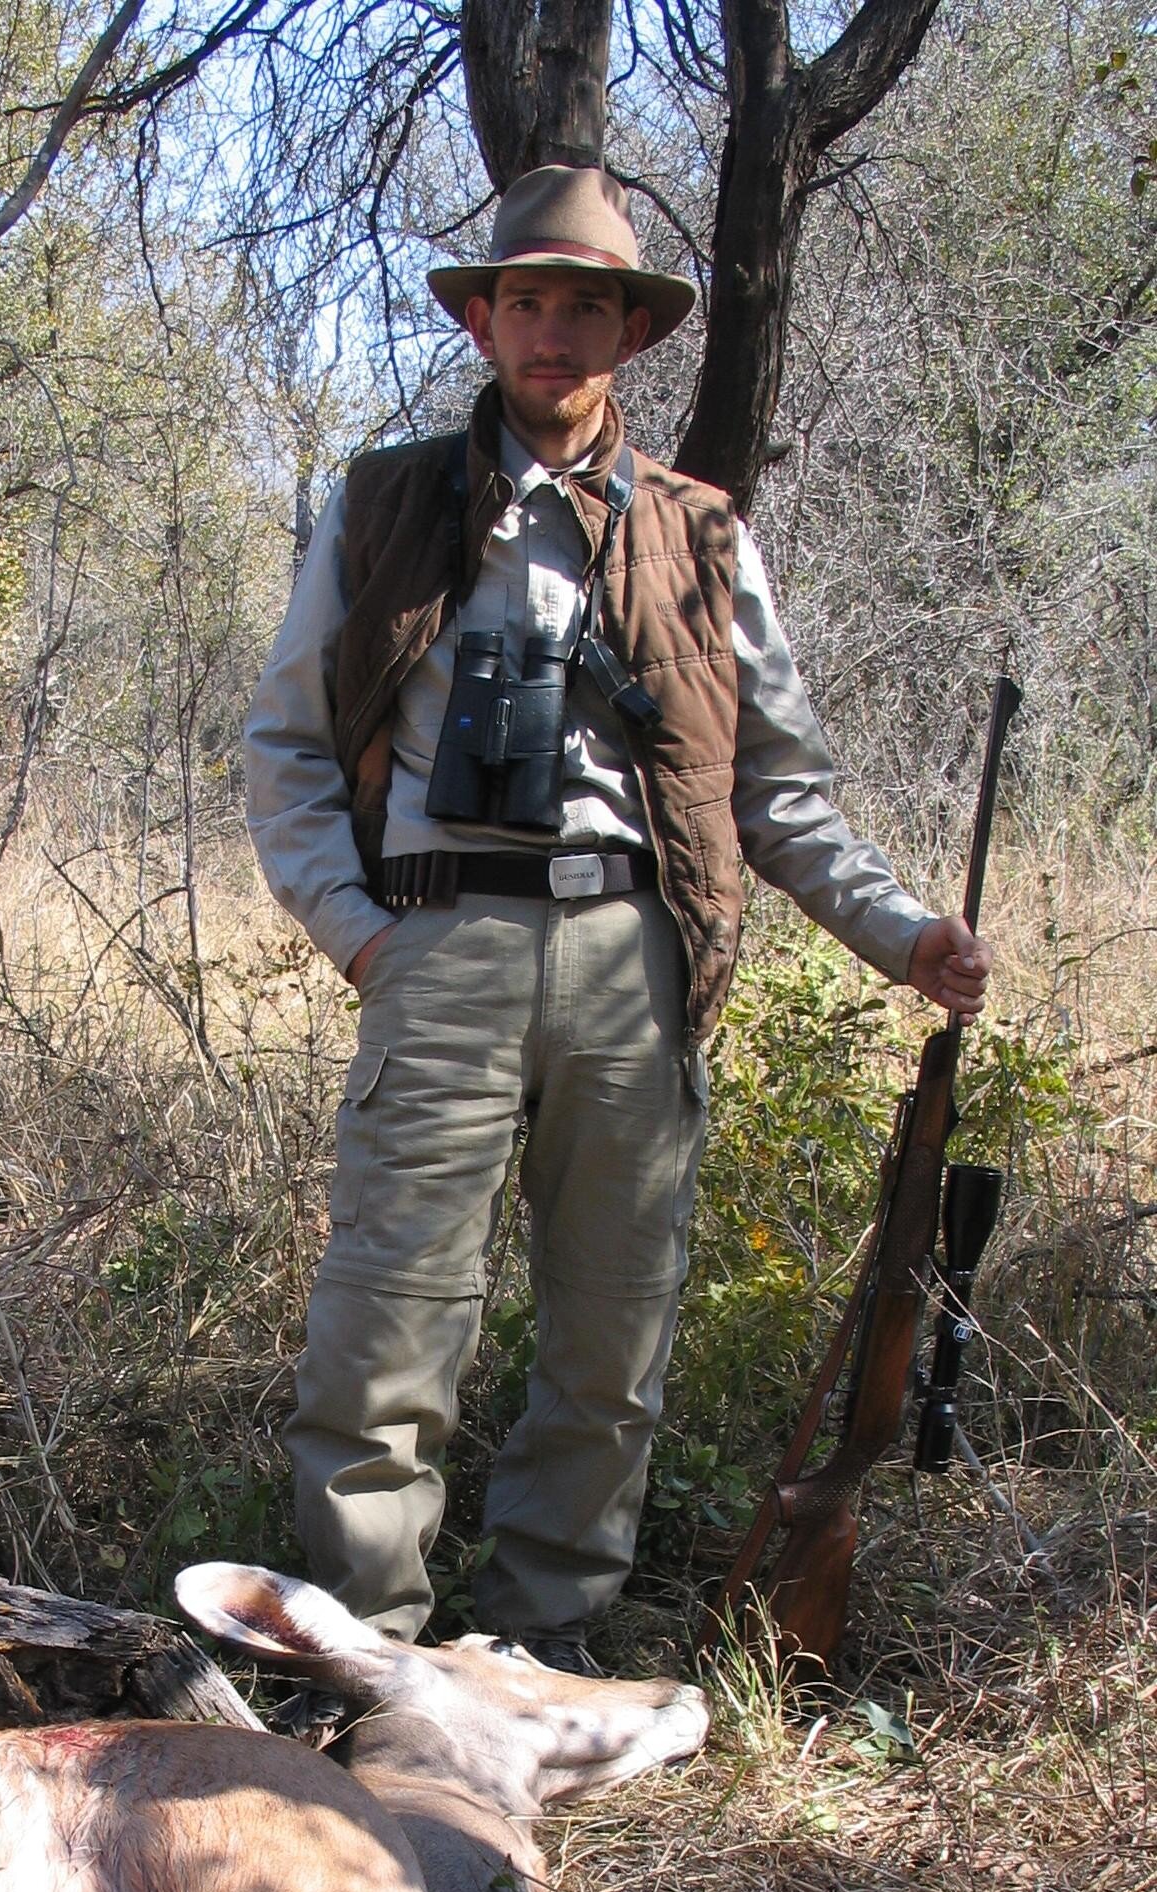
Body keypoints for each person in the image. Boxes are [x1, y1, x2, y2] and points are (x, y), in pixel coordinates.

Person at [244, 162, 993, 1673]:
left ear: (629, 336)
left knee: (611, 1341)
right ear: (484, 320)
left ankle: (543, 1656)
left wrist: (903, 932)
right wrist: (363, 934)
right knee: (385, 1334)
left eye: (589, 304)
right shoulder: (385, 501)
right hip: (436, 945)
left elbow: (780, 793)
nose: (556, 332)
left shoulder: (705, 534)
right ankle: (368, 1670)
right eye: (528, 299)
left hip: (630, 961)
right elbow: (287, 751)